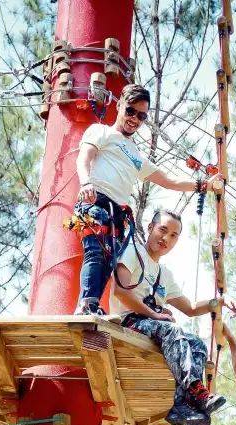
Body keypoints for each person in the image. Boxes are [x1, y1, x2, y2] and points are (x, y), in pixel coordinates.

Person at [72, 83, 223, 316]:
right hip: (96, 199)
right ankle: (87, 304)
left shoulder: (137, 157)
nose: (134, 119)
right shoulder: (101, 132)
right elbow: (85, 157)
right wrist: (85, 183)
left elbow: (169, 180)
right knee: (96, 252)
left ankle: (91, 304)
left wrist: (204, 185)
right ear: (119, 105)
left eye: (141, 116)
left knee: (109, 259)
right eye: (130, 111)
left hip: (117, 212)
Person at [111, 208, 236, 425]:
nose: (165, 239)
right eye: (162, 230)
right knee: (172, 329)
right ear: (150, 228)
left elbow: (189, 308)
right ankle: (196, 390)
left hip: (153, 325)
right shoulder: (133, 253)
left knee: (197, 344)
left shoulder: (164, 275)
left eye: (173, 236)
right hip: (130, 321)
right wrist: (154, 314)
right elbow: (121, 291)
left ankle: (182, 403)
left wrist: (217, 301)